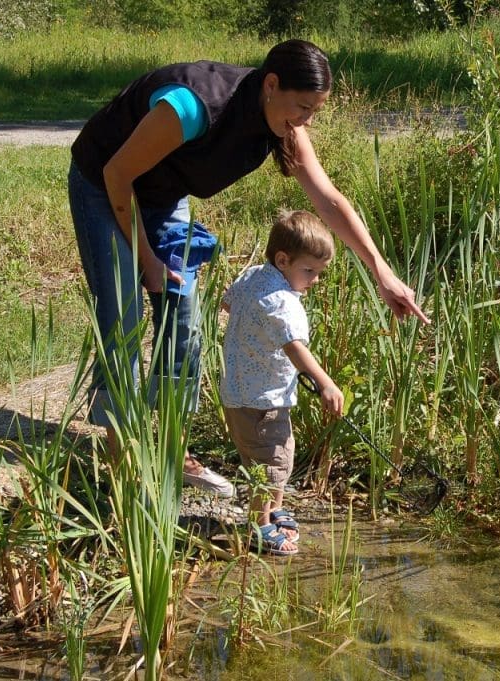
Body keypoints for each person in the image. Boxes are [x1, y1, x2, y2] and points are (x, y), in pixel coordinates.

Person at [68, 39, 429, 496]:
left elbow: (329, 199)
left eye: (315, 111)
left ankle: (172, 454)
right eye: (302, 107)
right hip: (104, 187)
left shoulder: (282, 125)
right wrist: (147, 259)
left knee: (182, 316)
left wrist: (381, 271)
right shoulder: (193, 106)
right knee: (121, 314)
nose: (306, 122)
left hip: (160, 195)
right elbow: (118, 174)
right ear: (271, 85)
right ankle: (125, 461)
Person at [221, 210, 343, 555]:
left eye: (319, 273)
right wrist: (325, 384)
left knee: (264, 458)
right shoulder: (283, 303)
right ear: (283, 259)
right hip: (264, 400)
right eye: (309, 271)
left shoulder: (252, 278)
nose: (315, 280)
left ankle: (272, 511)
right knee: (273, 463)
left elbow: (227, 303)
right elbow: (295, 349)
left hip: (236, 392)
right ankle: (259, 526)